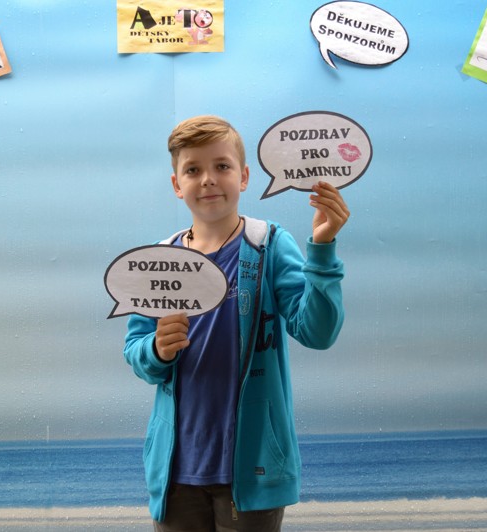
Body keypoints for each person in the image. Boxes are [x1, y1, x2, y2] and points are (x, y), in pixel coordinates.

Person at [123, 115, 349, 531]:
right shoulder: (160, 259)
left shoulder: (269, 244)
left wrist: (321, 248)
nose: (208, 179)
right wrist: (156, 350)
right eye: (193, 169)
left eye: (222, 166)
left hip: (253, 469)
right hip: (175, 472)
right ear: (177, 184)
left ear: (243, 177)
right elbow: (136, 352)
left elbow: (317, 332)